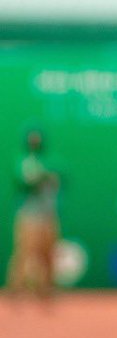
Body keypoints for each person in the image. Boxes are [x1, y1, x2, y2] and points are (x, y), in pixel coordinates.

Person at [6, 129, 61, 302]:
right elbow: (28, 182)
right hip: (29, 217)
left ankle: (46, 291)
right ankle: (16, 290)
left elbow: (57, 183)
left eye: (37, 140)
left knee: (48, 255)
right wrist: (44, 177)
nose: (35, 143)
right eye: (32, 140)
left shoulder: (47, 162)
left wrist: (48, 177)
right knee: (24, 254)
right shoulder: (24, 161)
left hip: (48, 216)